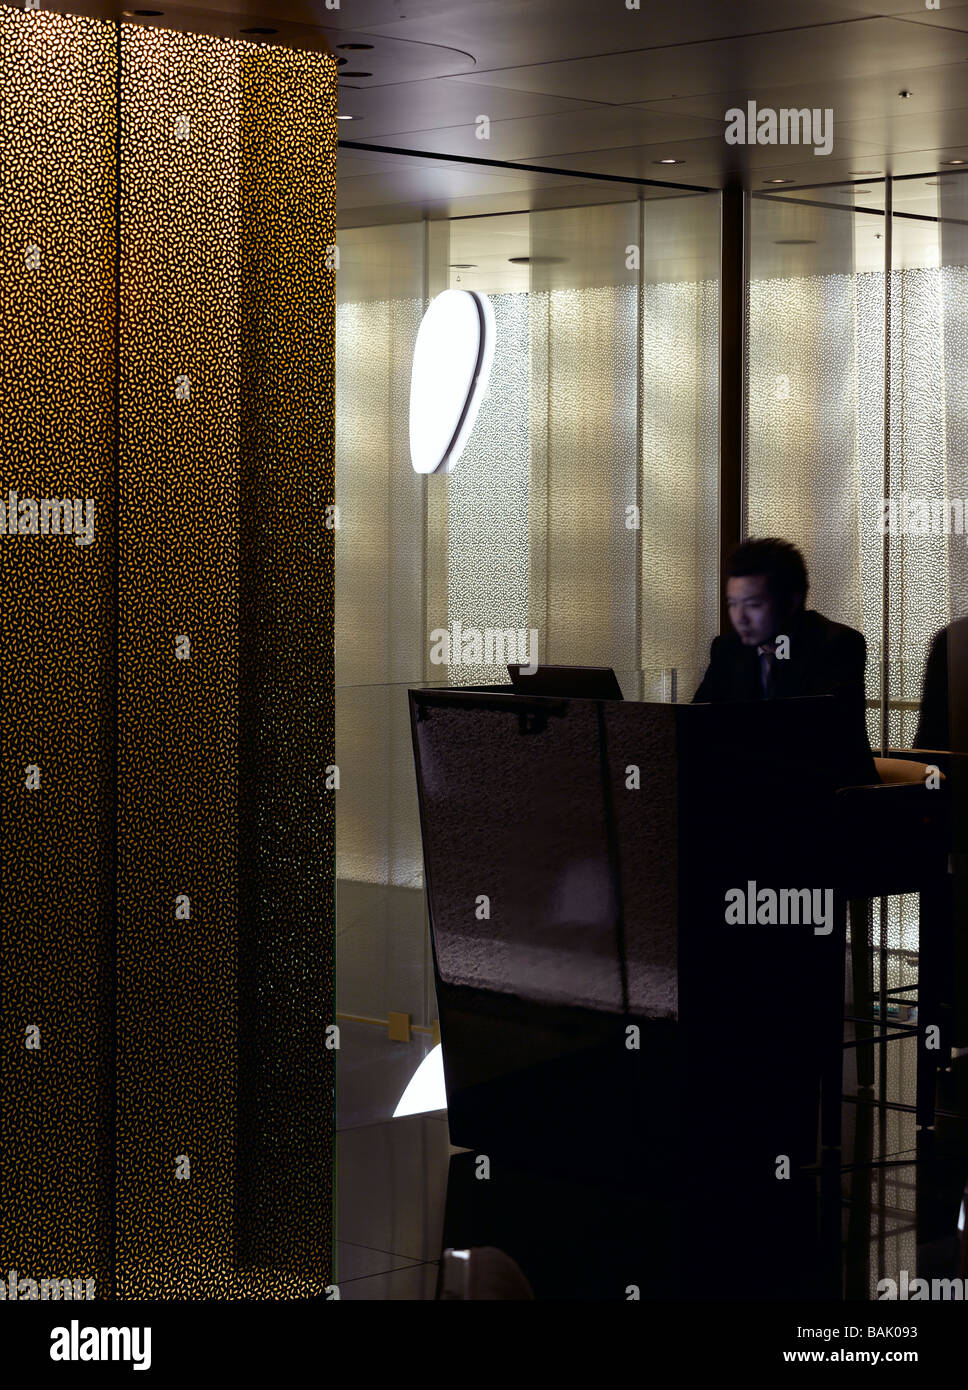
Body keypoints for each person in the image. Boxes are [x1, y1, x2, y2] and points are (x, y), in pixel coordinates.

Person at [693, 537, 876, 782]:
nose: (740, 618)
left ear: (791, 602)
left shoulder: (837, 644)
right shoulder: (728, 649)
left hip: (830, 794)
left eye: (753, 605)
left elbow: (814, 738)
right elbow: (695, 723)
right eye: (733, 604)